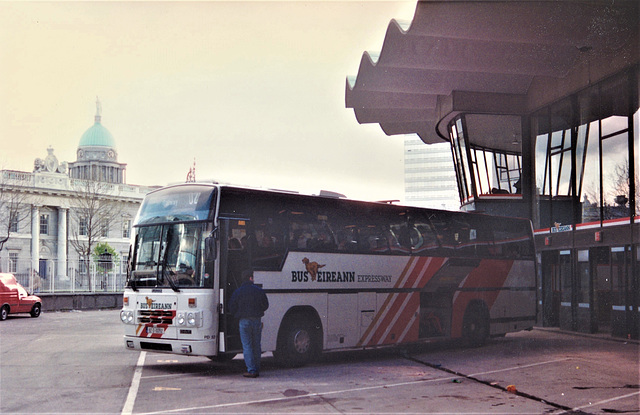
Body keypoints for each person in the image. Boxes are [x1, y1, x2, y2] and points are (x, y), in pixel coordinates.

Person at [228, 269, 269, 378]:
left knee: (247, 346)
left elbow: (232, 307)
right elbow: (266, 305)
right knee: (256, 345)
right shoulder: (258, 290)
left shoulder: (238, 291)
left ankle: (251, 370)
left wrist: (238, 314)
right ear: (251, 278)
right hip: (256, 320)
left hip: (244, 321)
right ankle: (256, 368)